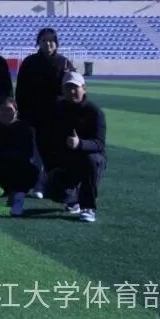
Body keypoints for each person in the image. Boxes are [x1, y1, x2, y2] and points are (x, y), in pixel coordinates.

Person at [15, 28, 74, 198]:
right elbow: (21, 90)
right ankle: (38, 185)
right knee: (37, 153)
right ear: (38, 43)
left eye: (51, 41)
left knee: (56, 151)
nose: (48, 44)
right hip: (34, 115)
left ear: (56, 43)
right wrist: (22, 113)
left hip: (57, 115)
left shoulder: (64, 62)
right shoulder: (29, 62)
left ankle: (55, 184)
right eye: (44, 41)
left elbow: (70, 89)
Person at [48, 72, 106, 223]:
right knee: (55, 190)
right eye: (68, 88)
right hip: (67, 159)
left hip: (90, 158)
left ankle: (88, 207)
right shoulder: (58, 109)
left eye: (75, 87)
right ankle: (73, 199)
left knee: (91, 160)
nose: (72, 91)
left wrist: (79, 144)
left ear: (84, 89)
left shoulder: (94, 112)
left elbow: (99, 144)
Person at [0, 99, 39, 217]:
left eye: (9, 110)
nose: (5, 113)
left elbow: (27, 153)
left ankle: (18, 198)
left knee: (27, 170)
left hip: (17, 169)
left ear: (16, 112)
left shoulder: (24, 128)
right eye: (2, 109)